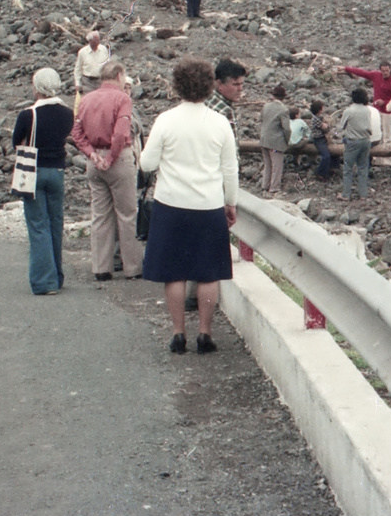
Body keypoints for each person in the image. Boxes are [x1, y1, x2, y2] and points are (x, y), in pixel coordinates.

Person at [140, 58, 239, 354]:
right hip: (208, 205)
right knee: (208, 272)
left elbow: (147, 163)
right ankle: (205, 333)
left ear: (177, 85)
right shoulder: (220, 122)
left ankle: (178, 333)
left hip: (171, 204)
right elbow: (230, 169)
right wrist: (230, 203)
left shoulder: (165, 120)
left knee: (175, 272)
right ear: (210, 86)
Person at [71, 61, 142, 281]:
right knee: (127, 213)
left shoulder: (87, 98)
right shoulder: (123, 99)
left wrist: (91, 154)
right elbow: (121, 133)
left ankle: (101, 267)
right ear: (120, 75)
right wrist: (111, 157)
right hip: (118, 159)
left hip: (94, 160)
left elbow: (76, 131)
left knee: (100, 214)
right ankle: (132, 267)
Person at [12, 69, 75, 296]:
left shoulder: (28, 115)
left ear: (37, 87)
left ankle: (44, 281)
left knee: (38, 225)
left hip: (33, 171)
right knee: (55, 222)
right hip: (58, 170)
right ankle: (57, 275)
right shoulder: (68, 113)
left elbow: (15, 141)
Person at [338, 87, 378, 200]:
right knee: (363, 168)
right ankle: (363, 194)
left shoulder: (349, 110)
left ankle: (346, 194)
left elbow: (341, 127)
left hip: (352, 141)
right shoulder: (367, 110)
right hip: (366, 140)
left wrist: (335, 133)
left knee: (348, 169)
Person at [260, 85, 291, 195]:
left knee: (267, 164)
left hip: (264, 139)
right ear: (283, 97)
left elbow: (261, 119)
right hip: (276, 143)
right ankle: (274, 188)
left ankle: (265, 186)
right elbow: (286, 128)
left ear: (273, 95)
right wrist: (287, 141)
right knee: (277, 166)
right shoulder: (283, 110)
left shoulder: (266, 106)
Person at [73, 29, 111, 95]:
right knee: (89, 99)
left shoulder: (103, 49)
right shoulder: (82, 52)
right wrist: (77, 83)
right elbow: (78, 69)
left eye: (99, 39)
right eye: (96, 40)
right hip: (88, 81)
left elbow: (108, 65)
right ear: (90, 41)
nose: (98, 41)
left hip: (101, 80)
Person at [307, 100, 336, 181]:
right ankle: (320, 173)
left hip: (322, 138)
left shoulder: (319, 117)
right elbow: (326, 128)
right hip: (318, 139)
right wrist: (328, 125)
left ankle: (330, 168)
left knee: (332, 153)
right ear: (319, 110)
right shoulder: (316, 119)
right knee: (326, 156)